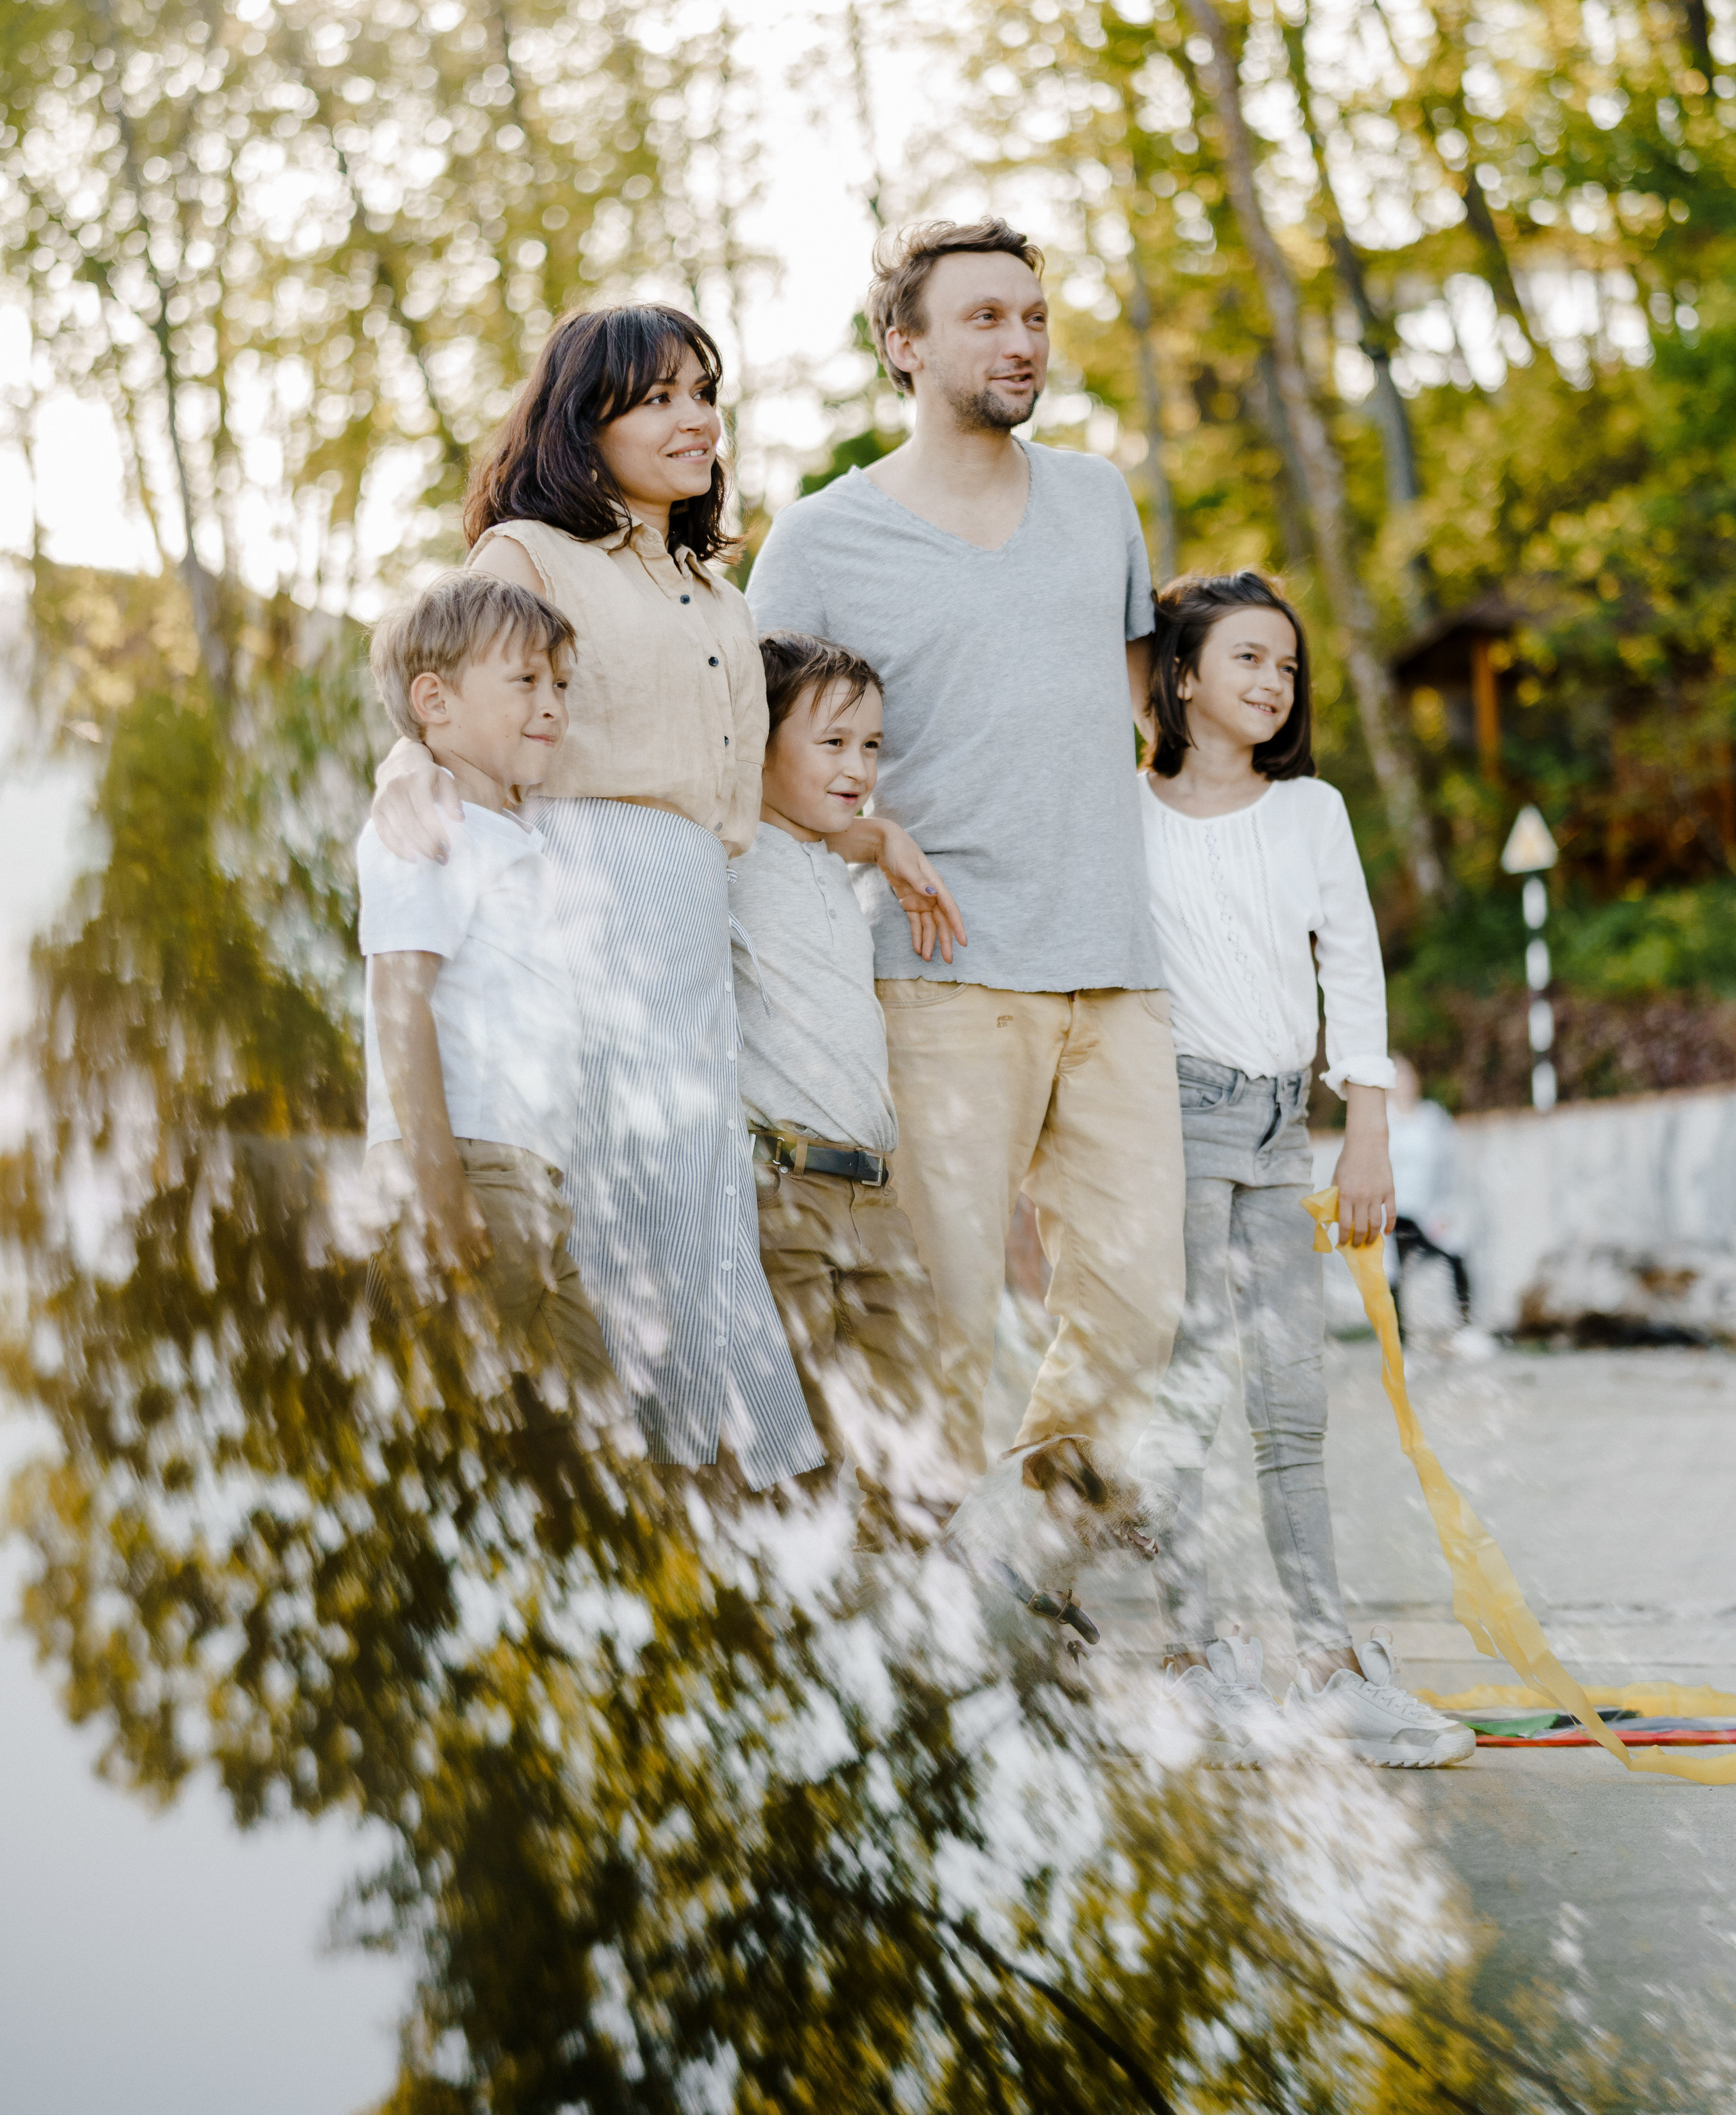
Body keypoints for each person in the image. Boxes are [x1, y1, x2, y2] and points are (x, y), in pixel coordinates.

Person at [367, 302, 890, 1492]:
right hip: (584, 896)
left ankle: (706, 1509)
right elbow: (433, 689)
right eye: (655, 397)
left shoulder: (718, 590)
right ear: (582, 418)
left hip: (701, 919)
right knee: (627, 1214)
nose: (693, 417)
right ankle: (636, 1493)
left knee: (699, 1214)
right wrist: (407, 766)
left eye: (703, 392)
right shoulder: (529, 553)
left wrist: (884, 843)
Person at [746, 217, 1185, 1566]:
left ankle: (1042, 1564)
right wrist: (870, 841)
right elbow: (754, 760)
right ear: (905, 344)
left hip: (1114, 969)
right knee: (939, 1324)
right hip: (936, 982)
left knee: (1136, 1309)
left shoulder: (1097, 499)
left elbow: (1133, 709)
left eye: (1033, 317)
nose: (1020, 342)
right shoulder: (820, 542)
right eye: (985, 317)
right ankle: (925, 1614)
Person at [1126, 569, 1475, 1766]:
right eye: (1246, 661)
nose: (1274, 683)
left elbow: (1356, 969)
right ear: (1179, 678)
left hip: (1282, 1131)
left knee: (1293, 1406)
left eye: (1286, 665)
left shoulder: (1311, 812)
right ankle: (1195, 1659)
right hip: (1167, 1123)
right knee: (1179, 1398)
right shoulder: (1122, 812)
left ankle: (1330, 1665)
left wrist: (1364, 1126)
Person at [359, 570, 623, 1426]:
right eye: (525, 682)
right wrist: (438, 1192)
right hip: (461, 1165)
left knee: (586, 1425)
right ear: (432, 699)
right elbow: (400, 1007)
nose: (551, 704)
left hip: (538, 1180)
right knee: (446, 1431)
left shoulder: (518, 834)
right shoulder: (426, 828)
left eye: (560, 686)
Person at [730, 631, 968, 1540]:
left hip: (877, 1196)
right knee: (804, 1442)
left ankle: (902, 1626)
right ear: (755, 740)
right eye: (831, 743)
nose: (858, 767)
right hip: (784, 1194)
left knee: (913, 1443)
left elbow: (838, 829)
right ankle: (800, 1628)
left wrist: (881, 837)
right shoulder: (728, 857)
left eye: (871, 746)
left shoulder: (832, 863)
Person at [1387, 1055, 1482, 1346]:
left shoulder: (1432, 1118)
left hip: (1429, 1211)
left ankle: (1464, 1327)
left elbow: (1448, 1167)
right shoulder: (1381, 1122)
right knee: (1393, 1273)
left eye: (1408, 1077)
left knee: (1455, 1254)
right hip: (1394, 1213)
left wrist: (1445, 1210)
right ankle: (1399, 1343)